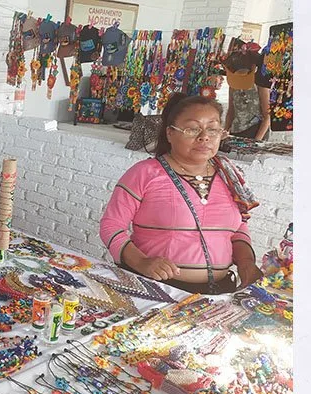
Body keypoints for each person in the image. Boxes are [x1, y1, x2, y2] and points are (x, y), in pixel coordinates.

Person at [99, 94, 274, 294]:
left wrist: (246, 263)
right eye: (192, 129)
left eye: (213, 128)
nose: (204, 137)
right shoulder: (145, 173)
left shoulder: (230, 175)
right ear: (170, 133)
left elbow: (239, 226)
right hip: (156, 290)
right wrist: (142, 262)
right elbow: (111, 225)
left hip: (220, 293)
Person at [222, 49, 271, 141]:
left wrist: (256, 141)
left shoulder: (261, 85)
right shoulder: (233, 84)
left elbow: (267, 116)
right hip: (236, 130)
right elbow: (231, 111)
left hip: (256, 131)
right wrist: (225, 131)